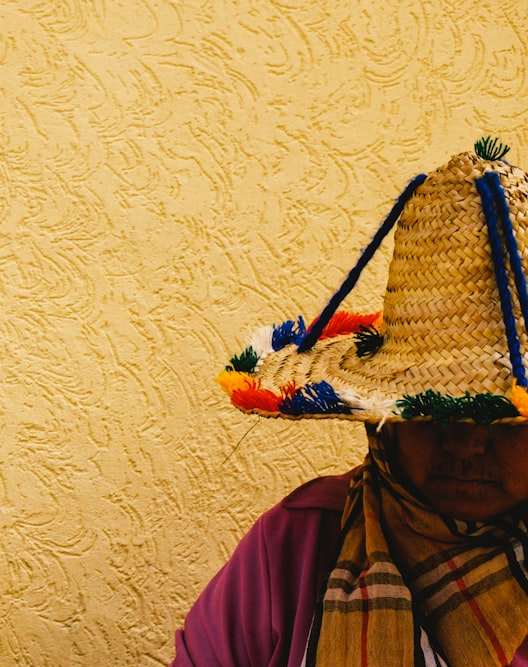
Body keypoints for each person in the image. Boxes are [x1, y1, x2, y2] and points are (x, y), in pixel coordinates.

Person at [173, 138, 528, 666]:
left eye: (504, 422)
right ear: (385, 423)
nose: (471, 445)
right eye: (437, 416)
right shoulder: (296, 543)